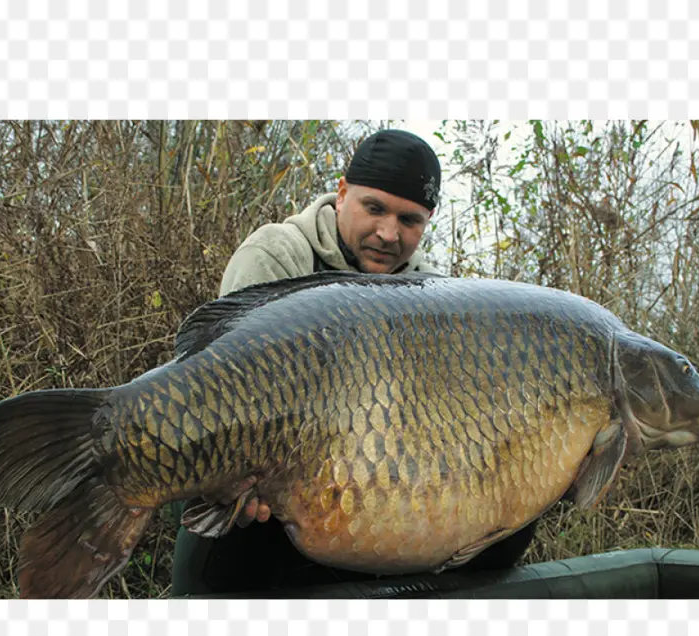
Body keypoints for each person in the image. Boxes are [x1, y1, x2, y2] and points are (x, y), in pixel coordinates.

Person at [170, 128, 536, 597]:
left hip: (364, 493)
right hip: (264, 479)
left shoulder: (433, 296)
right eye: (375, 208)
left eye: (409, 219)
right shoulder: (276, 255)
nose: (388, 233)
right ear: (341, 193)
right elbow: (221, 391)